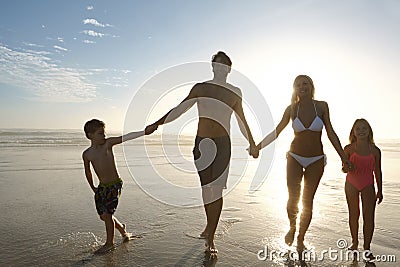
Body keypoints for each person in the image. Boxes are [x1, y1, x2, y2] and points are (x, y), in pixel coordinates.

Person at [146, 51, 259, 253]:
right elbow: (179, 109)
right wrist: (156, 124)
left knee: (217, 189)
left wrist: (252, 142)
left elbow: (242, 119)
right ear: (213, 67)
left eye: (226, 65)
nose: (221, 68)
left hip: (223, 144)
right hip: (202, 144)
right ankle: (209, 226)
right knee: (207, 189)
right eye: (218, 64)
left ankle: (211, 238)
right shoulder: (200, 87)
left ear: (229, 69)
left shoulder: (235, 92)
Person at [255, 75, 351, 251]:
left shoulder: (321, 106)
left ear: (311, 86)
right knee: (293, 198)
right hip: (295, 157)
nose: (302, 87)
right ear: (294, 89)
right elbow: (276, 131)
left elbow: (330, 132)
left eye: (305, 83)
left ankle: (301, 238)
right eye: (298, 84)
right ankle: (292, 227)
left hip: (316, 160)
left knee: (308, 201)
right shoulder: (291, 109)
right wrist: (257, 147)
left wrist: (344, 157)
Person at [82, 119, 155, 253]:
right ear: (89, 135)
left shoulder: (108, 144)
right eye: (100, 134)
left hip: (114, 186)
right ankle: (122, 229)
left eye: (104, 133)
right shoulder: (87, 154)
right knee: (103, 216)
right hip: (102, 187)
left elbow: (126, 137)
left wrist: (144, 132)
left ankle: (109, 243)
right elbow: (88, 171)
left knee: (108, 215)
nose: (104, 136)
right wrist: (92, 186)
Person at [342, 118, 383, 262]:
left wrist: (380, 190)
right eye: (358, 129)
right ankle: (354, 243)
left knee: (369, 217)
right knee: (354, 214)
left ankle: (367, 248)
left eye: (364, 128)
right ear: (353, 132)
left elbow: (378, 171)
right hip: (351, 184)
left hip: (368, 184)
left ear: (369, 131)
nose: (361, 131)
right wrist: (347, 167)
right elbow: (343, 169)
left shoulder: (375, 151)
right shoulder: (348, 149)